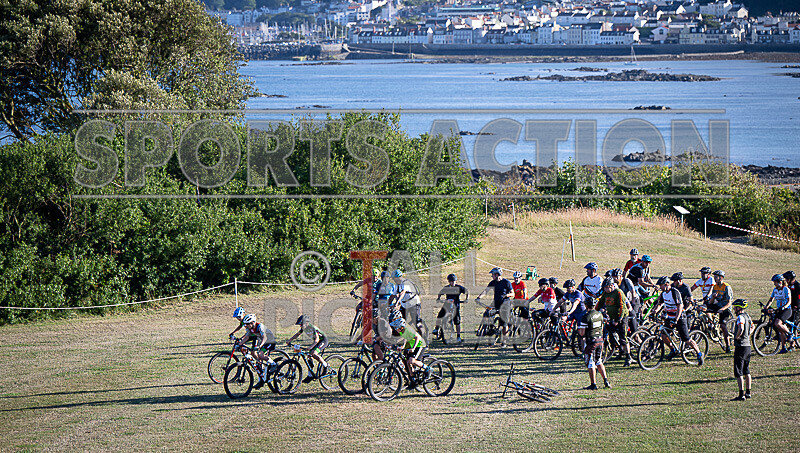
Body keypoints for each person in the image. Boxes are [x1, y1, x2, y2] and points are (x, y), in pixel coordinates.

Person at [653, 276, 704, 365]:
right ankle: (673, 350)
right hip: (670, 317)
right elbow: (659, 304)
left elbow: (680, 306)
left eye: (661, 285)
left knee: (686, 339)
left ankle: (699, 353)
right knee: (663, 335)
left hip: (680, 318)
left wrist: (676, 319)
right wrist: (654, 311)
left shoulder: (674, 292)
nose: (660, 287)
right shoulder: (663, 293)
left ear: (666, 284)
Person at [596, 277, 632, 366]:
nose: (604, 289)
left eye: (606, 287)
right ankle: (619, 351)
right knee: (611, 335)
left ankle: (628, 357)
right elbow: (600, 303)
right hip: (612, 317)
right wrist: (594, 312)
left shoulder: (618, 292)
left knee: (623, 338)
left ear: (611, 286)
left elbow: (622, 306)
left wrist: (619, 319)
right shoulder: (605, 293)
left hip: (622, 317)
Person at [237, 314, 278, 389]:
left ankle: (274, 364)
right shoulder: (250, 328)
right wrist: (239, 344)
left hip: (269, 341)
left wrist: (259, 346)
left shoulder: (260, 326)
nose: (246, 326)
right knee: (258, 363)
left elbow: (264, 337)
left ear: (252, 322)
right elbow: (247, 337)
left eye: (247, 324)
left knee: (260, 355)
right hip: (262, 342)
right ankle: (261, 381)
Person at [578, 296, 610, 390]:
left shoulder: (586, 316)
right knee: (598, 361)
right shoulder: (600, 314)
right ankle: (606, 381)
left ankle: (593, 384)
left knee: (590, 363)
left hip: (591, 341)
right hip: (600, 340)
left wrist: (579, 332)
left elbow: (582, 333)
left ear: (586, 305)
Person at [286, 315, 330, 383]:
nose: (300, 326)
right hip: (317, 341)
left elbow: (317, 339)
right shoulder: (304, 328)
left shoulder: (312, 328)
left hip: (323, 340)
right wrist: (289, 340)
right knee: (309, 356)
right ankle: (310, 375)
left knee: (313, 353)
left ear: (306, 323)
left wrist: (310, 347)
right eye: (300, 325)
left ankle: (325, 365)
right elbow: (297, 334)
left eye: (301, 324)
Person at [476, 268, 514, 345]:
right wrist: (479, 297)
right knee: (487, 313)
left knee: (504, 324)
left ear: (497, 275)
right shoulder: (493, 282)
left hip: (505, 304)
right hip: (496, 303)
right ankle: (490, 330)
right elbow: (486, 291)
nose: (491, 276)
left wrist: (506, 295)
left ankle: (504, 341)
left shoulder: (506, 282)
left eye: (492, 275)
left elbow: (513, 294)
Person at [389, 317, 428, 390]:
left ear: (401, 327)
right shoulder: (402, 331)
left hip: (420, 345)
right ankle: (413, 381)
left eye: (396, 328)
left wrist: (413, 348)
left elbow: (417, 338)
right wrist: (402, 346)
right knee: (407, 362)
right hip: (412, 345)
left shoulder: (408, 329)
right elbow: (405, 338)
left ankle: (428, 369)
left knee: (411, 361)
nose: (395, 329)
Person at [433, 273, 468, 343]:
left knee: (457, 321)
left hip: (456, 306)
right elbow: (440, 293)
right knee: (440, 316)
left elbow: (466, 292)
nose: (452, 283)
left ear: (456, 281)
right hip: (447, 305)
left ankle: (458, 336)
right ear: (448, 282)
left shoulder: (459, 287)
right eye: (451, 281)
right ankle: (436, 328)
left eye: (453, 281)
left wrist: (466, 299)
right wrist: (438, 298)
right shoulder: (446, 288)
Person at [706, 270, 733, 353]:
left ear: (721, 278)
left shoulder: (726, 287)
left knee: (723, 325)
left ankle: (728, 345)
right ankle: (710, 324)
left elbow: (729, 302)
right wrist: (713, 298)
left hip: (725, 308)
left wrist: (722, 309)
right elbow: (710, 302)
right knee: (704, 308)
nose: (714, 278)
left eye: (716, 277)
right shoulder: (715, 287)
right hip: (718, 305)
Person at [731, 299, 753, 400]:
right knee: (746, 370)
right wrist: (747, 335)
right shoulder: (747, 316)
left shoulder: (740, 317)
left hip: (740, 347)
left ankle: (741, 394)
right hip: (748, 346)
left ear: (739, 308)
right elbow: (752, 326)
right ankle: (748, 392)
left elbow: (741, 328)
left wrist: (737, 336)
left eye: (735, 307)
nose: (734, 309)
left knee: (738, 371)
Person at [765, 274, 793, 354]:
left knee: (777, 323)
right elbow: (771, 299)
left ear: (780, 282)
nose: (774, 284)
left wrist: (784, 307)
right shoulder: (775, 290)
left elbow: (789, 301)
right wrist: (766, 307)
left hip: (787, 310)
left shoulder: (786, 289)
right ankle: (783, 347)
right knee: (780, 330)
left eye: (775, 282)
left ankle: (790, 333)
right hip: (779, 310)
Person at [612, 268, 639, 334]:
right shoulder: (614, 284)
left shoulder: (626, 281)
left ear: (621, 276)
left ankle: (635, 332)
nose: (615, 279)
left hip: (634, 300)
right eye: (614, 277)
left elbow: (633, 292)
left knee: (632, 315)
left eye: (617, 277)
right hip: (625, 302)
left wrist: (632, 303)